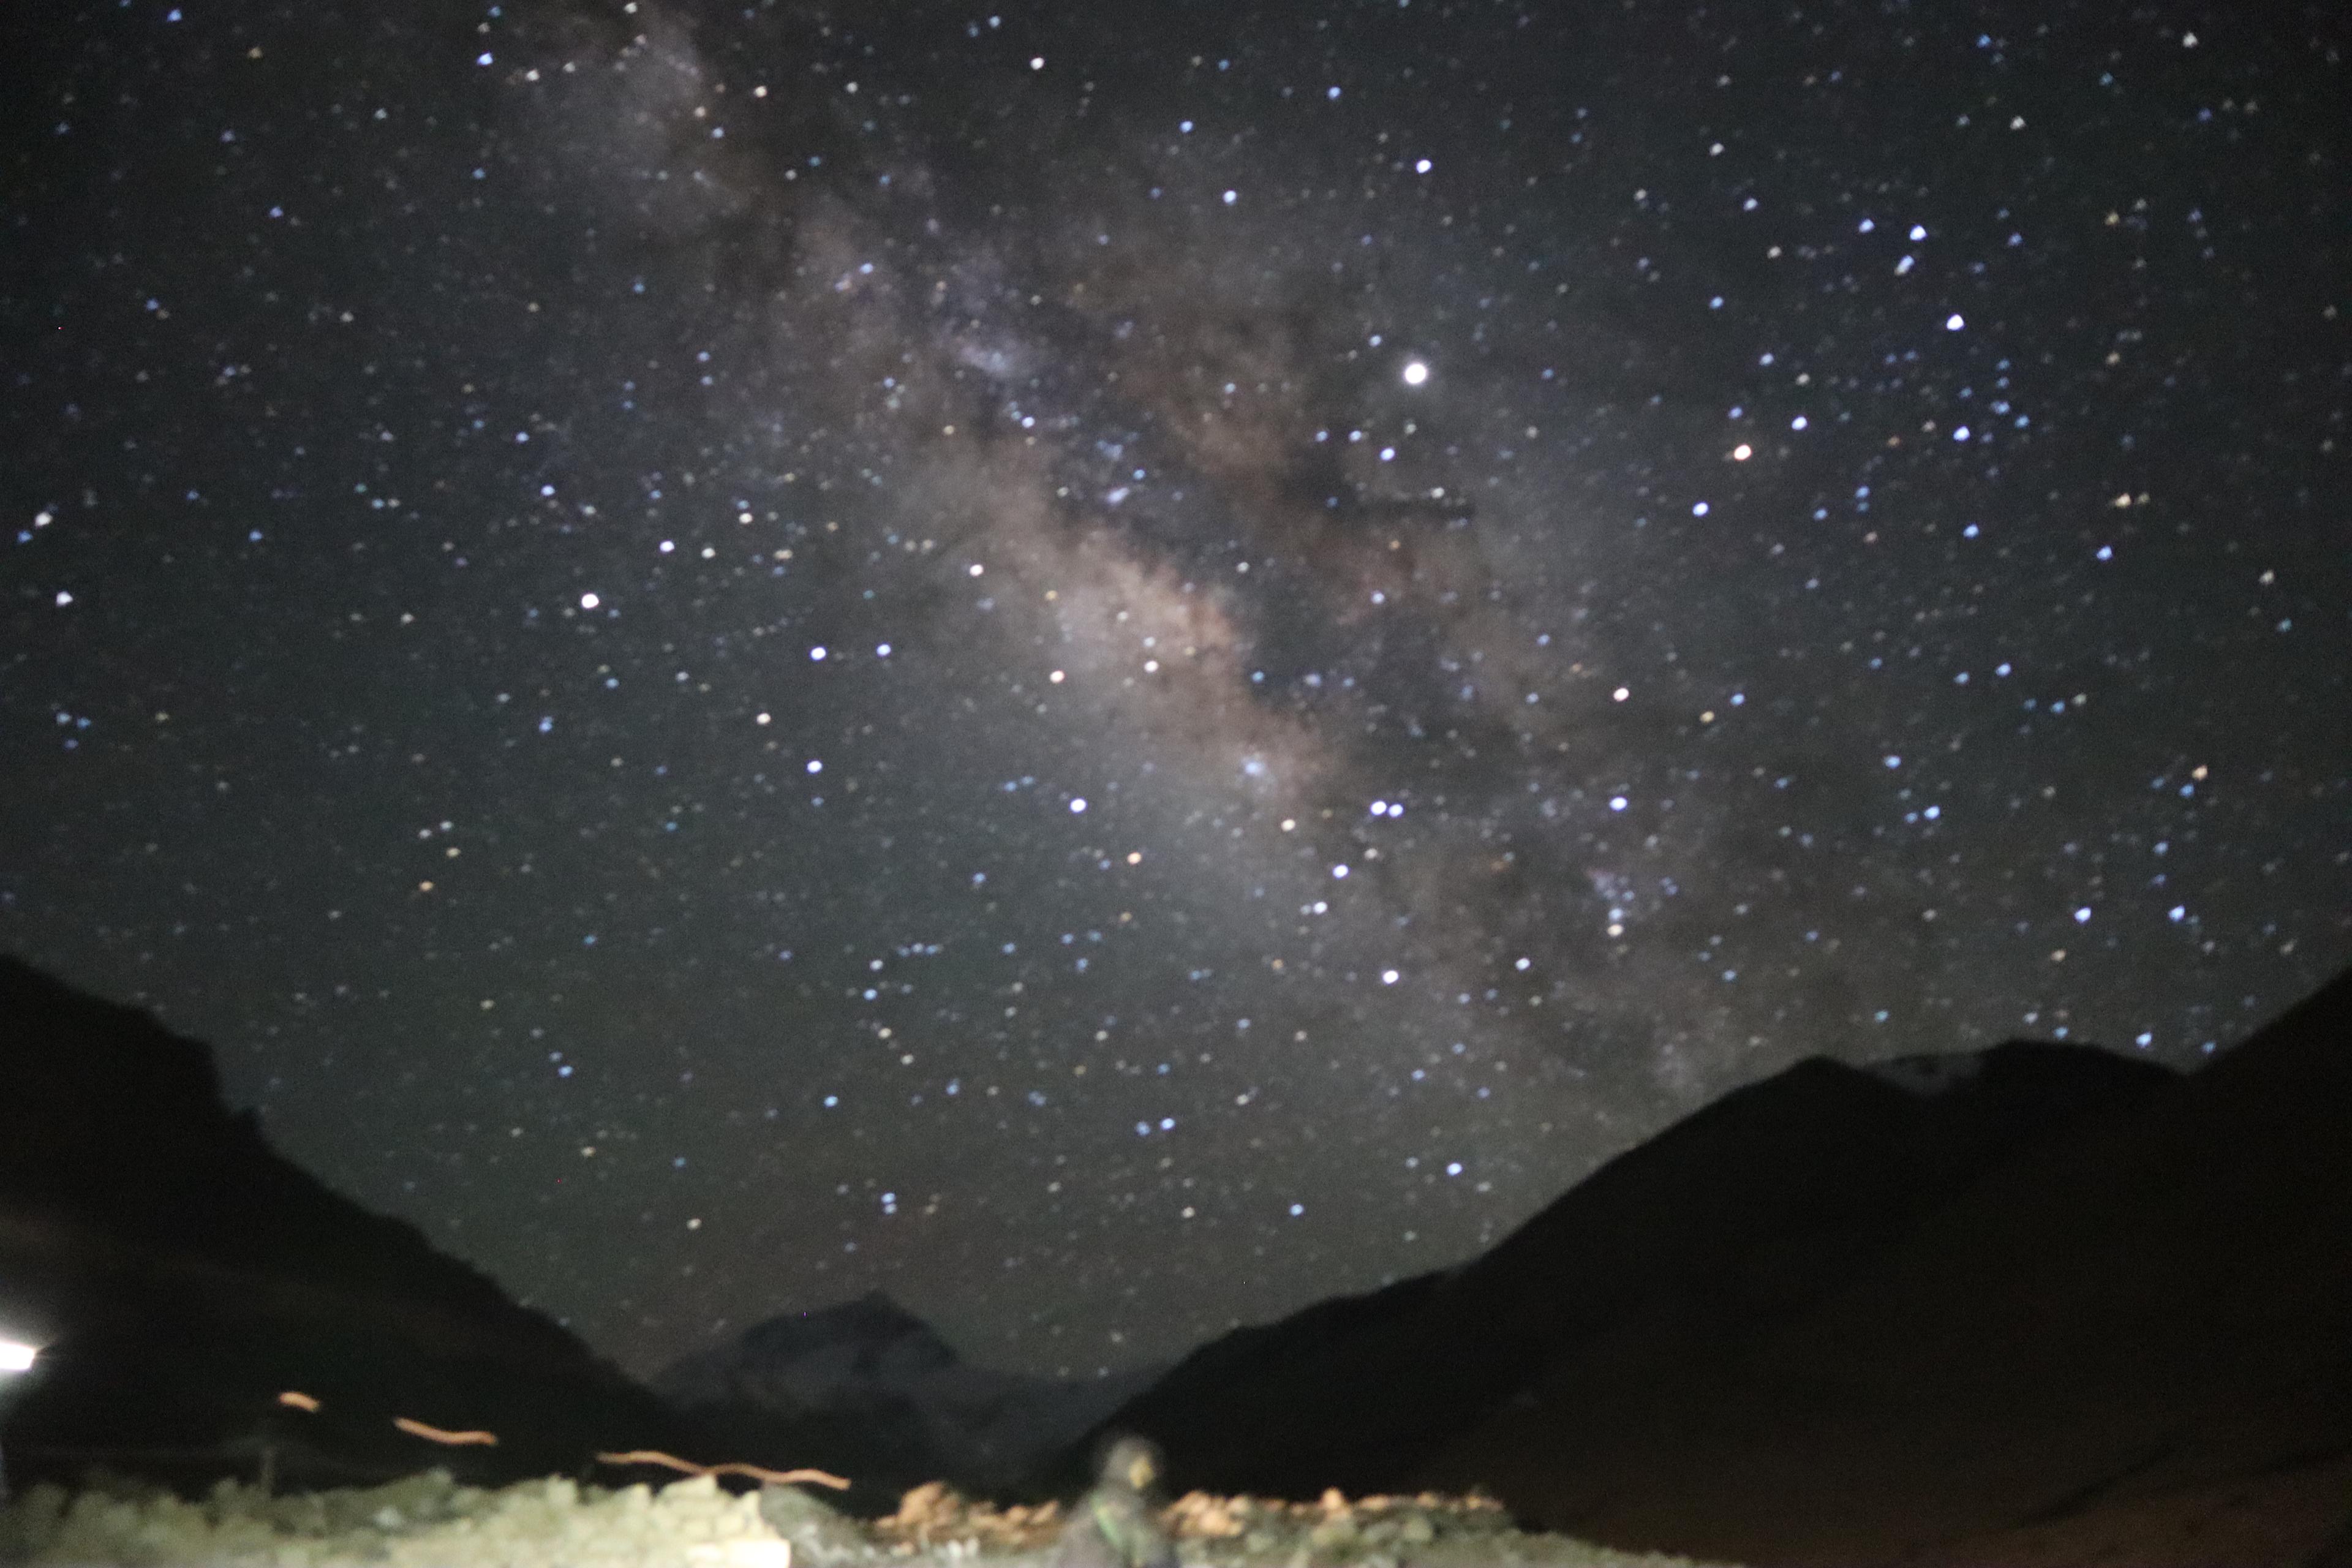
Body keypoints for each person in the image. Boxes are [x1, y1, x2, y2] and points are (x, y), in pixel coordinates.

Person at [1058, 1434, 1178, 1568]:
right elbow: (1147, 1547)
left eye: (1149, 1467)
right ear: (1125, 1466)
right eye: (1142, 1466)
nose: (1148, 1473)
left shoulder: (1105, 1499)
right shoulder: (1116, 1501)